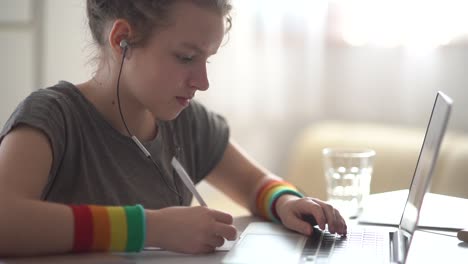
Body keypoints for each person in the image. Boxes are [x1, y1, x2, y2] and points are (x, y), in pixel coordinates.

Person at [0, 0, 347, 257]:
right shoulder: (54, 117)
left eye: (206, 60)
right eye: (185, 58)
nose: (203, 82)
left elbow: (254, 182)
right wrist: (151, 228)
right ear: (122, 40)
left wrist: (284, 202)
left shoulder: (186, 122)